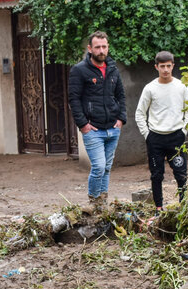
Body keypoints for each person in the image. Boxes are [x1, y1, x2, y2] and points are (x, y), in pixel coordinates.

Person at [68, 31, 127, 210]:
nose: (101, 50)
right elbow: (74, 100)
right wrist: (83, 125)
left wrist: (121, 119)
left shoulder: (113, 69)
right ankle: (94, 202)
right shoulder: (79, 70)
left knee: (107, 168)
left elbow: (121, 95)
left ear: (108, 47)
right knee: (99, 167)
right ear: (90, 48)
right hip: (93, 130)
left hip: (113, 128)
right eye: (97, 47)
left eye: (104, 46)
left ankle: (102, 203)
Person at [135, 51, 188, 211]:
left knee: (181, 174)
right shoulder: (150, 88)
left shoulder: (181, 87)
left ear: (173, 65)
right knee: (156, 175)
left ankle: (184, 207)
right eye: (162, 66)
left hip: (176, 137)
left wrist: (184, 131)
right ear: (156, 67)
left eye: (169, 66)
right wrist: (147, 135)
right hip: (155, 138)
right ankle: (158, 208)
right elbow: (140, 113)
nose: (166, 70)